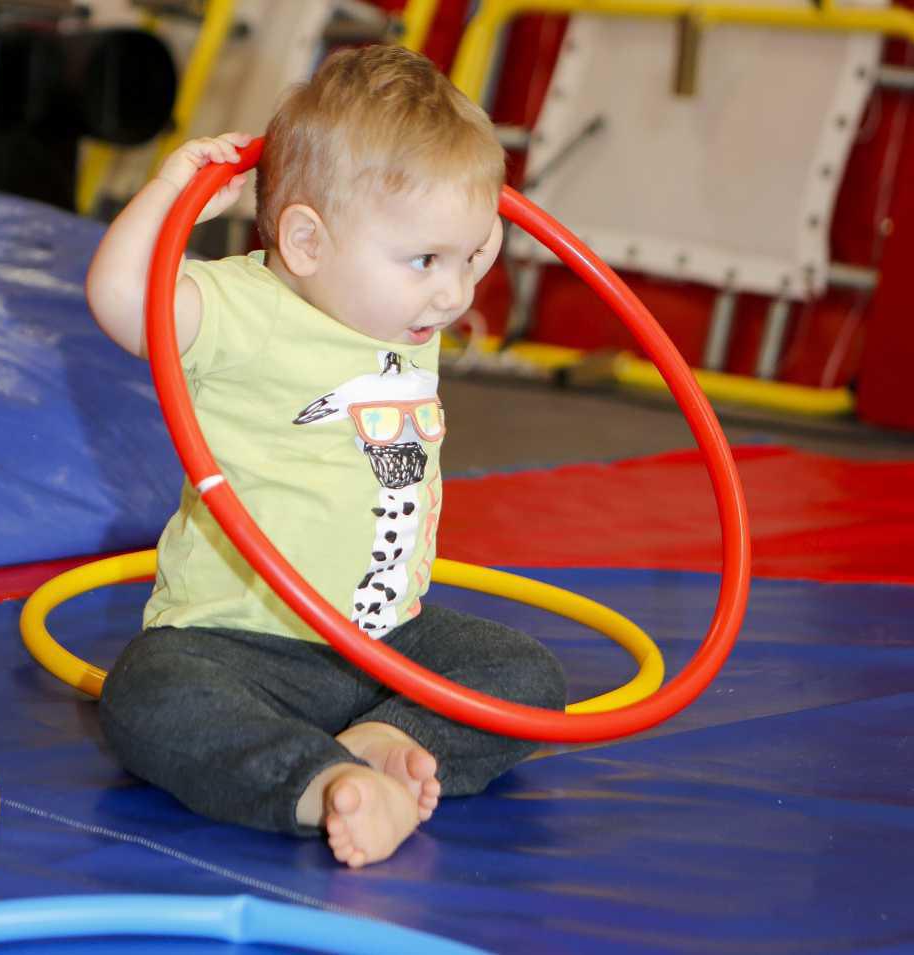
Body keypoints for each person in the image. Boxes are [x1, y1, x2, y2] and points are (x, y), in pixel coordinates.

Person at [85, 44, 567, 869]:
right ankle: (322, 781)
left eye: (468, 258)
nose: (455, 293)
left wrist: (450, 226)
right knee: (145, 695)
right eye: (427, 261)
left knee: (523, 671)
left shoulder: (405, 305)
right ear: (306, 241)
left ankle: (383, 741)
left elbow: (457, 232)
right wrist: (172, 194)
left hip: (386, 641)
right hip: (236, 643)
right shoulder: (246, 307)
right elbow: (123, 301)